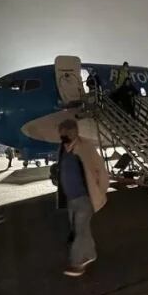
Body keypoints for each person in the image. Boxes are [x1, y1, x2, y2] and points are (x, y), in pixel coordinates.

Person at [54, 118, 110, 277]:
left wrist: (99, 192)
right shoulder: (62, 149)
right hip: (71, 199)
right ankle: (90, 254)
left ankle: (77, 264)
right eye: (61, 134)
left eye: (66, 134)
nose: (63, 137)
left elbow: (102, 171)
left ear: (74, 132)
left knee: (79, 231)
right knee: (81, 229)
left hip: (85, 198)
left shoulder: (86, 147)